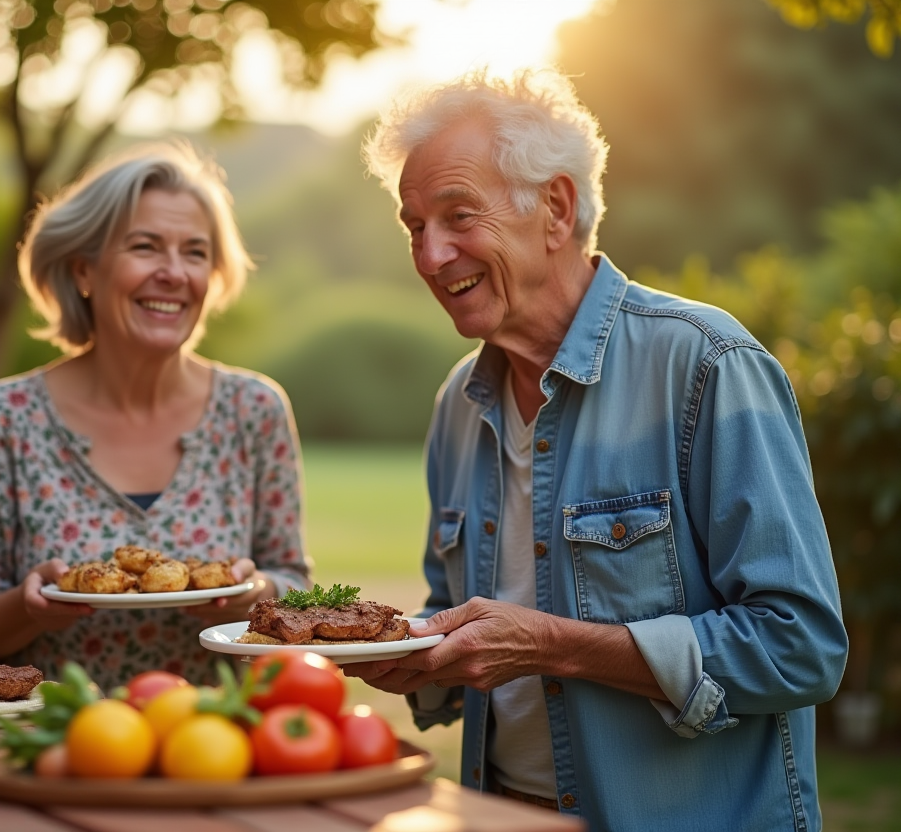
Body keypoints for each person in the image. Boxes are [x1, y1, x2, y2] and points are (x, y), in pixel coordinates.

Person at [345, 68, 848, 831]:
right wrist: (396, 653)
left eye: (458, 216)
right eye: (414, 226)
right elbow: (454, 620)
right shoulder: (459, 401)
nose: (430, 255)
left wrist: (552, 646)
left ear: (555, 207)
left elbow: (801, 646)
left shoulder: (706, 363)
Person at [0, 142, 310, 690]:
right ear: (84, 269)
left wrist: (255, 594)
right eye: (145, 247)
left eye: (195, 253)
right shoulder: (2, 421)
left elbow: (296, 585)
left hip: (216, 733)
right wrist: (27, 607)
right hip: (52, 734)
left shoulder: (254, 410)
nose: (174, 273)